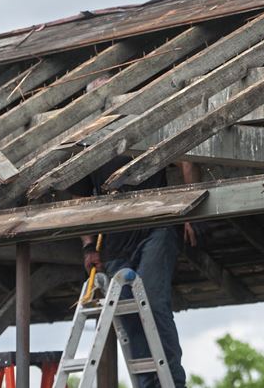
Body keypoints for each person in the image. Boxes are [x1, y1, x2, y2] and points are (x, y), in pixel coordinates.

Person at [80, 159, 201, 388]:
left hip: (156, 226)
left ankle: (173, 382)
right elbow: (79, 197)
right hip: (115, 240)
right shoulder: (86, 144)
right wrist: (88, 246)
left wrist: (191, 210)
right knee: (127, 314)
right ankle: (146, 384)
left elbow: (187, 158)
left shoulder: (143, 129)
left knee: (153, 303)